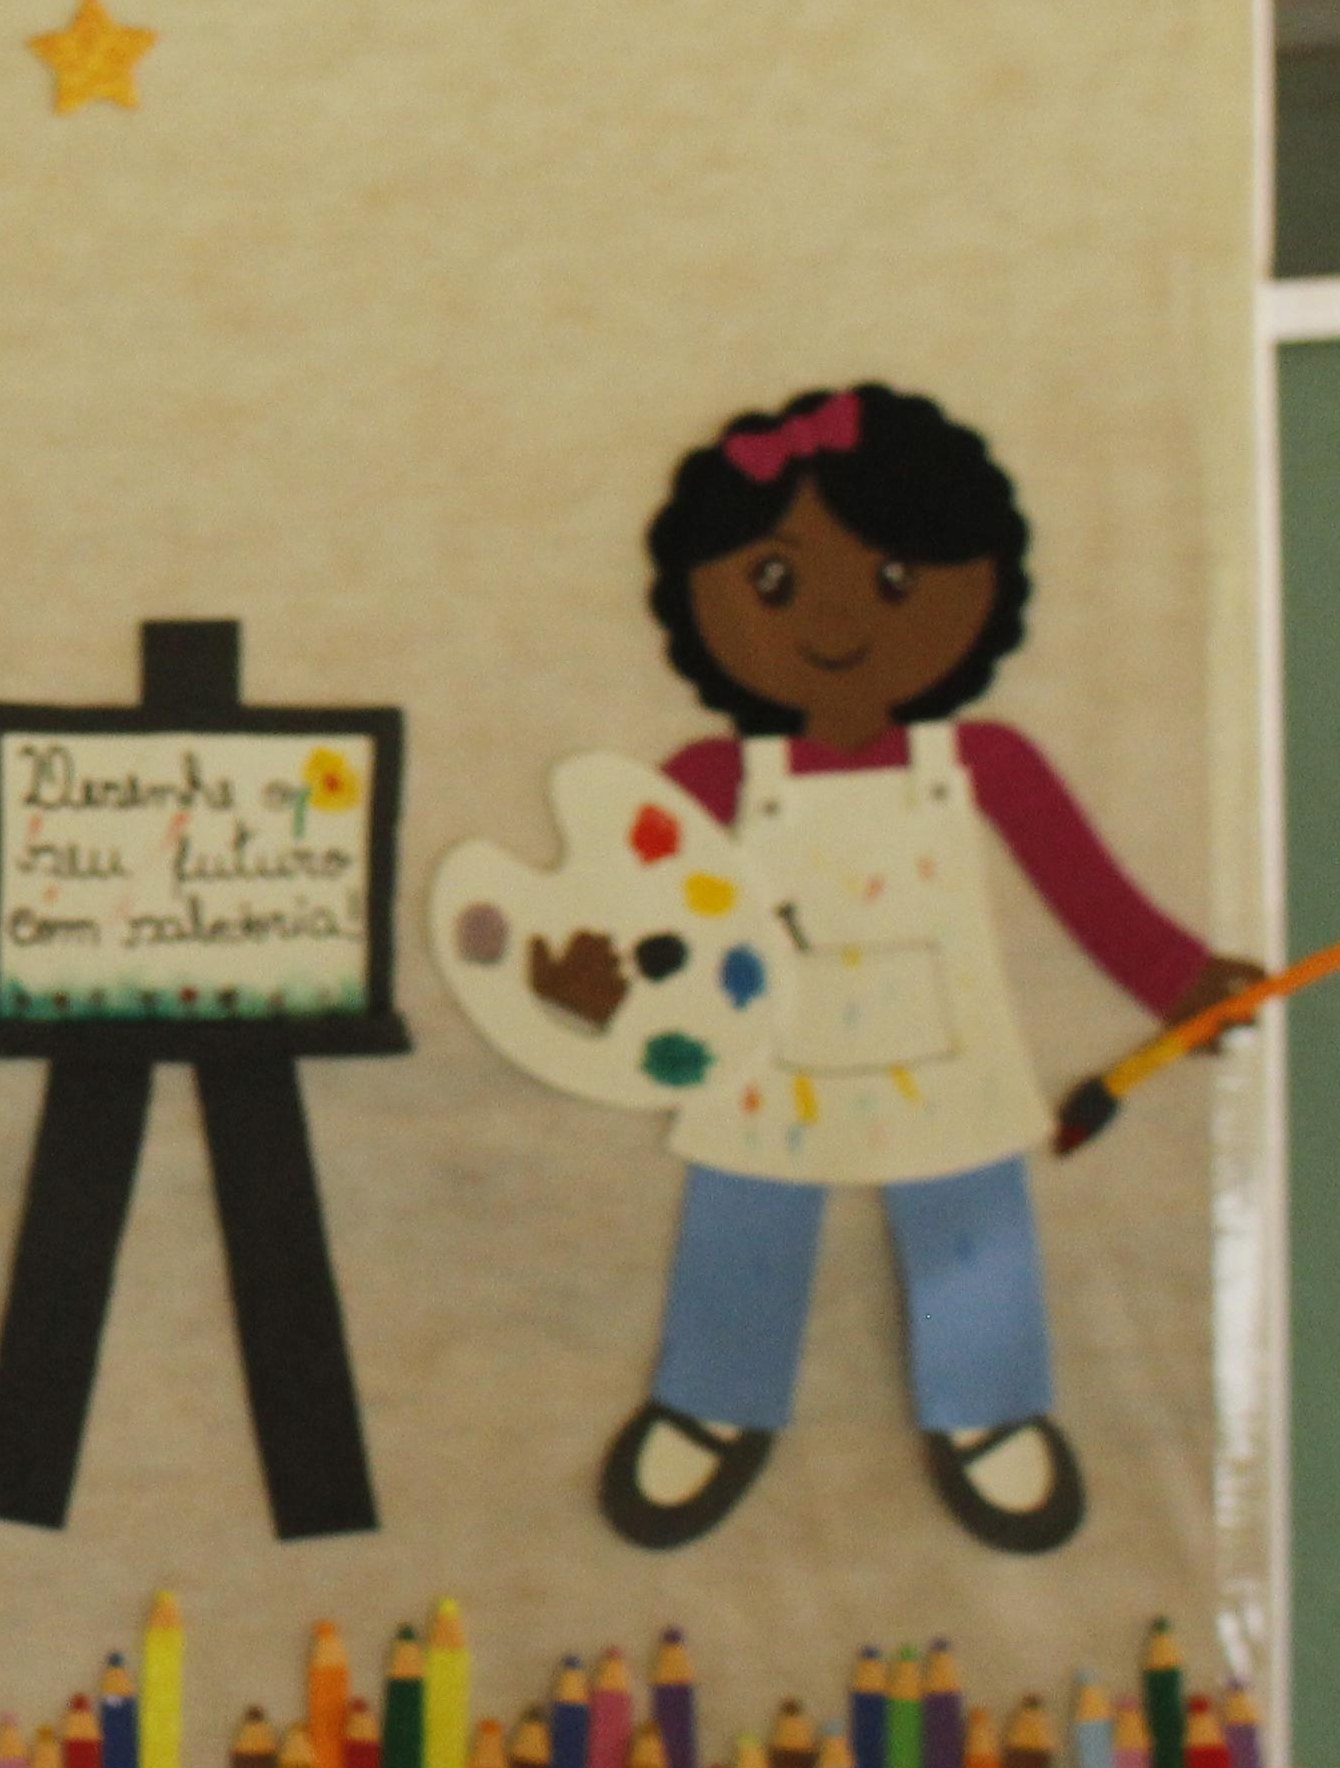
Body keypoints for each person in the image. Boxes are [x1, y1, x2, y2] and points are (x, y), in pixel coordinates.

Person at [533, 383, 1263, 1554]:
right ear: (702, 605)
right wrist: (587, 982)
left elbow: (1086, 887)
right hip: (763, 1045)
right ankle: (714, 1396)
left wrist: (1175, 979)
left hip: (942, 1053)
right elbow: (629, 909)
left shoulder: (987, 762)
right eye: (773, 582)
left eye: (890, 582)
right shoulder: (710, 781)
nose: (835, 619)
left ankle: (988, 1407)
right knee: (744, 1208)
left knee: (969, 1211)